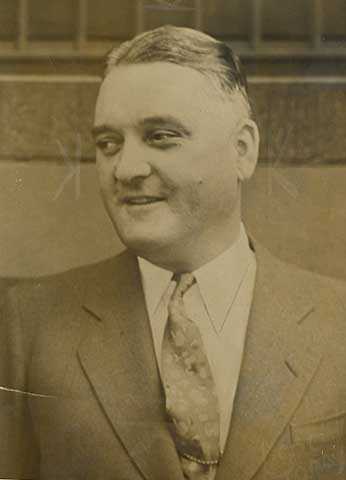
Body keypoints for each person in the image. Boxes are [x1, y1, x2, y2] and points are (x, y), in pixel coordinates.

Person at [1, 25, 346, 480]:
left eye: (161, 136)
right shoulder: (31, 324)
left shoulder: (336, 322)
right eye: (108, 144)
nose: (126, 168)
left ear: (243, 150)